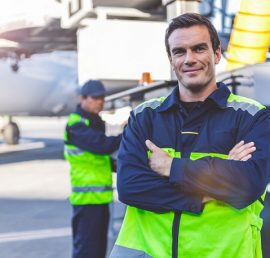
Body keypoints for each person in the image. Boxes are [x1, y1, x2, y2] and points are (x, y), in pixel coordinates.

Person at [110, 13, 270, 258]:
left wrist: (172, 167)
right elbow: (130, 186)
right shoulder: (144, 117)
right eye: (179, 51)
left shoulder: (252, 117)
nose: (189, 59)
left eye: (199, 49)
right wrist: (207, 191)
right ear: (171, 60)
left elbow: (247, 185)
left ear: (217, 54)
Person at [64, 80, 122, 258]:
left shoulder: (95, 122)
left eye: (102, 98)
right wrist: (129, 133)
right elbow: (102, 146)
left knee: (97, 252)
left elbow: (101, 159)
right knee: (86, 252)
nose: (100, 101)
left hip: (101, 199)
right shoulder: (76, 125)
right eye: (95, 98)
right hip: (87, 201)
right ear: (83, 98)